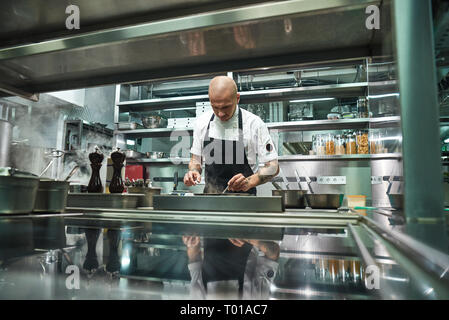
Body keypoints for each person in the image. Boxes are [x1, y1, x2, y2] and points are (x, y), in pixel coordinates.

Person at [183, 75, 279, 194]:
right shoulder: (201, 122)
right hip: (210, 200)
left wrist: (249, 181)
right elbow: (195, 160)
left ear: (237, 98)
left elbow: (273, 167)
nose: (221, 113)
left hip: (244, 202)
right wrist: (194, 171)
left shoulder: (254, 124)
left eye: (226, 107)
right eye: (215, 107)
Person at [183, 235, 280, 300]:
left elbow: (194, 258)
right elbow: (273, 252)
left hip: (212, 222)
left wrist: (191, 243)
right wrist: (248, 238)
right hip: (246, 221)